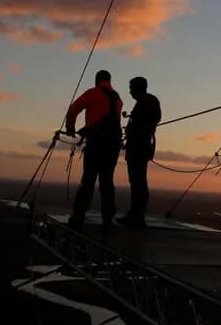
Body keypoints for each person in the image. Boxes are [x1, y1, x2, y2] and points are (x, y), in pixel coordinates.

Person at [65, 70, 123, 228]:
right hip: (113, 144)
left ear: (97, 80)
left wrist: (70, 128)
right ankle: (108, 218)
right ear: (109, 81)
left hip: (96, 143)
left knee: (89, 179)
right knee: (107, 181)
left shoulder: (93, 93)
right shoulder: (117, 99)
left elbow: (73, 110)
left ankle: (78, 216)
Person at [117, 76, 161, 228]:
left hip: (140, 147)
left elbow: (154, 121)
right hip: (136, 146)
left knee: (139, 182)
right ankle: (135, 214)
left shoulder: (148, 101)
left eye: (131, 89)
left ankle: (138, 216)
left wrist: (136, 131)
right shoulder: (145, 102)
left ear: (138, 88)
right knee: (136, 182)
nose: (130, 92)